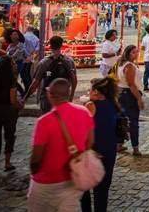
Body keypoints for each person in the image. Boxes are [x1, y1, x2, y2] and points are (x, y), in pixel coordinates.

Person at [27, 78, 94, 211]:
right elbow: (90, 144)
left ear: (50, 95)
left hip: (46, 183)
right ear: (69, 93)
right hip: (72, 179)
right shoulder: (84, 112)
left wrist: (34, 171)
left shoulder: (44, 121)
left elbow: (36, 159)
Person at [81, 78, 119, 212]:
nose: (88, 91)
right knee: (102, 191)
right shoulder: (113, 104)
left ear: (96, 92)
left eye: (90, 89)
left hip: (93, 150)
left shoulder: (91, 106)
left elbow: (82, 129)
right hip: (109, 150)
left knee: (84, 187)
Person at [24, 36, 77, 114]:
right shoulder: (69, 61)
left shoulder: (44, 63)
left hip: (47, 99)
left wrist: (25, 98)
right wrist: (71, 95)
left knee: (48, 121)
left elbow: (35, 83)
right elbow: (74, 80)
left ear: (50, 46)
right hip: (64, 98)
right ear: (61, 45)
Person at [116, 45, 144, 156]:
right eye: (133, 52)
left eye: (137, 52)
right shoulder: (129, 66)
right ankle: (135, 147)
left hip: (122, 94)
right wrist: (139, 98)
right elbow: (131, 84)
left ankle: (119, 144)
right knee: (133, 121)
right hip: (129, 95)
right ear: (128, 53)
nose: (136, 54)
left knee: (121, 120)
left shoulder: (121, 63)